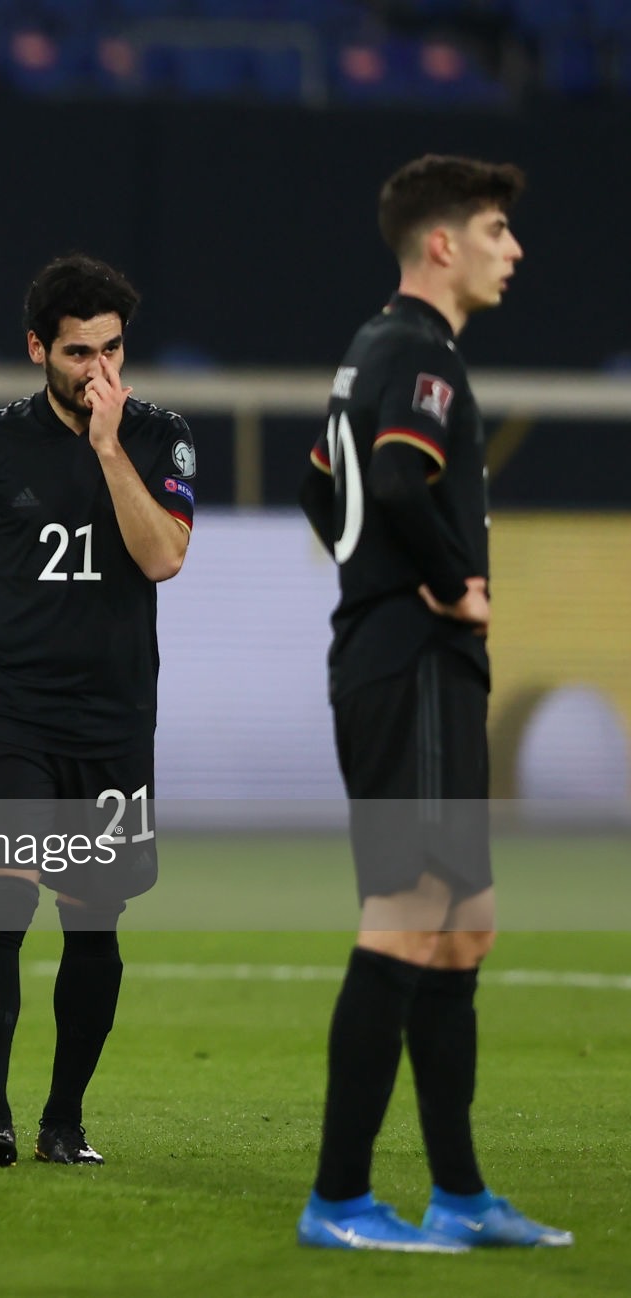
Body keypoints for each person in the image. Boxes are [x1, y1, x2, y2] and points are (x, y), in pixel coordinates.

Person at [294, 156, 570, 1252]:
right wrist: (449, 578)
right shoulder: (417, 353)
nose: (514, 249)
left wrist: (368, 567)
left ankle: (457, 1192)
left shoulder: (377, 347)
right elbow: (397, 485)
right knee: (409, 915)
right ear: (440, 244)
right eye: (497, 229)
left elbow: (324, 481)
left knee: (461, 929)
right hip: (408, 659)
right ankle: (338, 1198)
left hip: (406, 657)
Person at [0, 255, 195, 1169]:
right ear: (36, 350)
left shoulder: (160, 436)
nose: (97, 368)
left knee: (93, 923)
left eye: (112, 349)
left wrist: (106, 448)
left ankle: (65, 1120)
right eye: (76, 351)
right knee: (1, 907)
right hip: (13, 716)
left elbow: (164, 557)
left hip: (112, 721)